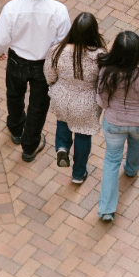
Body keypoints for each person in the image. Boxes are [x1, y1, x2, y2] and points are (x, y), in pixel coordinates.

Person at [0, 0, 71, 162]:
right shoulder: (59, 11)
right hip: (44, 66)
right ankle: (29, 146)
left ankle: (16, 130)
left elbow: (0, 39)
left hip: (17, 61)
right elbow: (64, 44)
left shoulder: (11, 9)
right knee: (38, 106)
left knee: (14, 95)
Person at [95, 31, 139, 222]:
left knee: (111, 161)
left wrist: (112, 108)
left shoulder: (106, 72)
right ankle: (132, 169)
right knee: (136, 145)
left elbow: (102, 101)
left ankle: (107, 209)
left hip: (114, 124)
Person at [45, 12, 105, 184]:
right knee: (83, 135)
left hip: (61, 97)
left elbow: (49, 76)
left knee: (63, 120)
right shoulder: (100, 55)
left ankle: (62, 148)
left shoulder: (57, 50)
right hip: (86, 103)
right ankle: (78, 174)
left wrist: (57, 87)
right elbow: (102, 83)